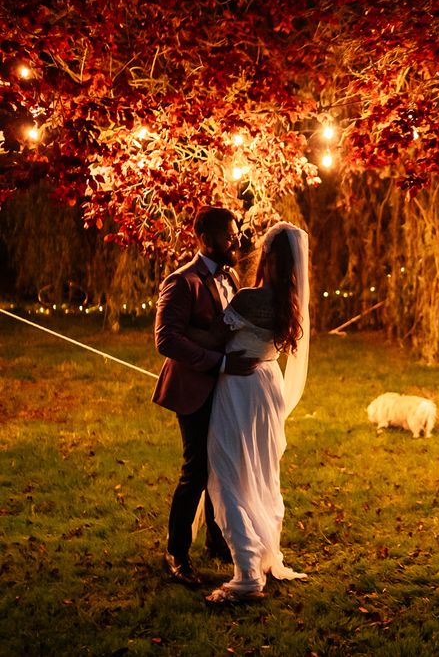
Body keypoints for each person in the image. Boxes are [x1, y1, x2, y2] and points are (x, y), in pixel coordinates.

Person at [193, 221, 310, 605]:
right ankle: (259, 552)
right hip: (267, 386)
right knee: (261, 472)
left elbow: (214, 338)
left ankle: (245, 573)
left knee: (228, 473)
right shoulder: (288, 302)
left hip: (240, 389)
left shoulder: (248, 299)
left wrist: (183, 333)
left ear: (268, 258)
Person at [152, 206, 259, 586]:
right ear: (206, 238)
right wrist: (219, 362)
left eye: (236, 234)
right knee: (195, 470)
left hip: (225, 390)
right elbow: (166, 340)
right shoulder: (182, 282)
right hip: (194, 389)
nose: (236, 241)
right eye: (229, 236)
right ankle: (176, 553)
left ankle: (217, 540)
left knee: (221, 466)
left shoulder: (229, 276)